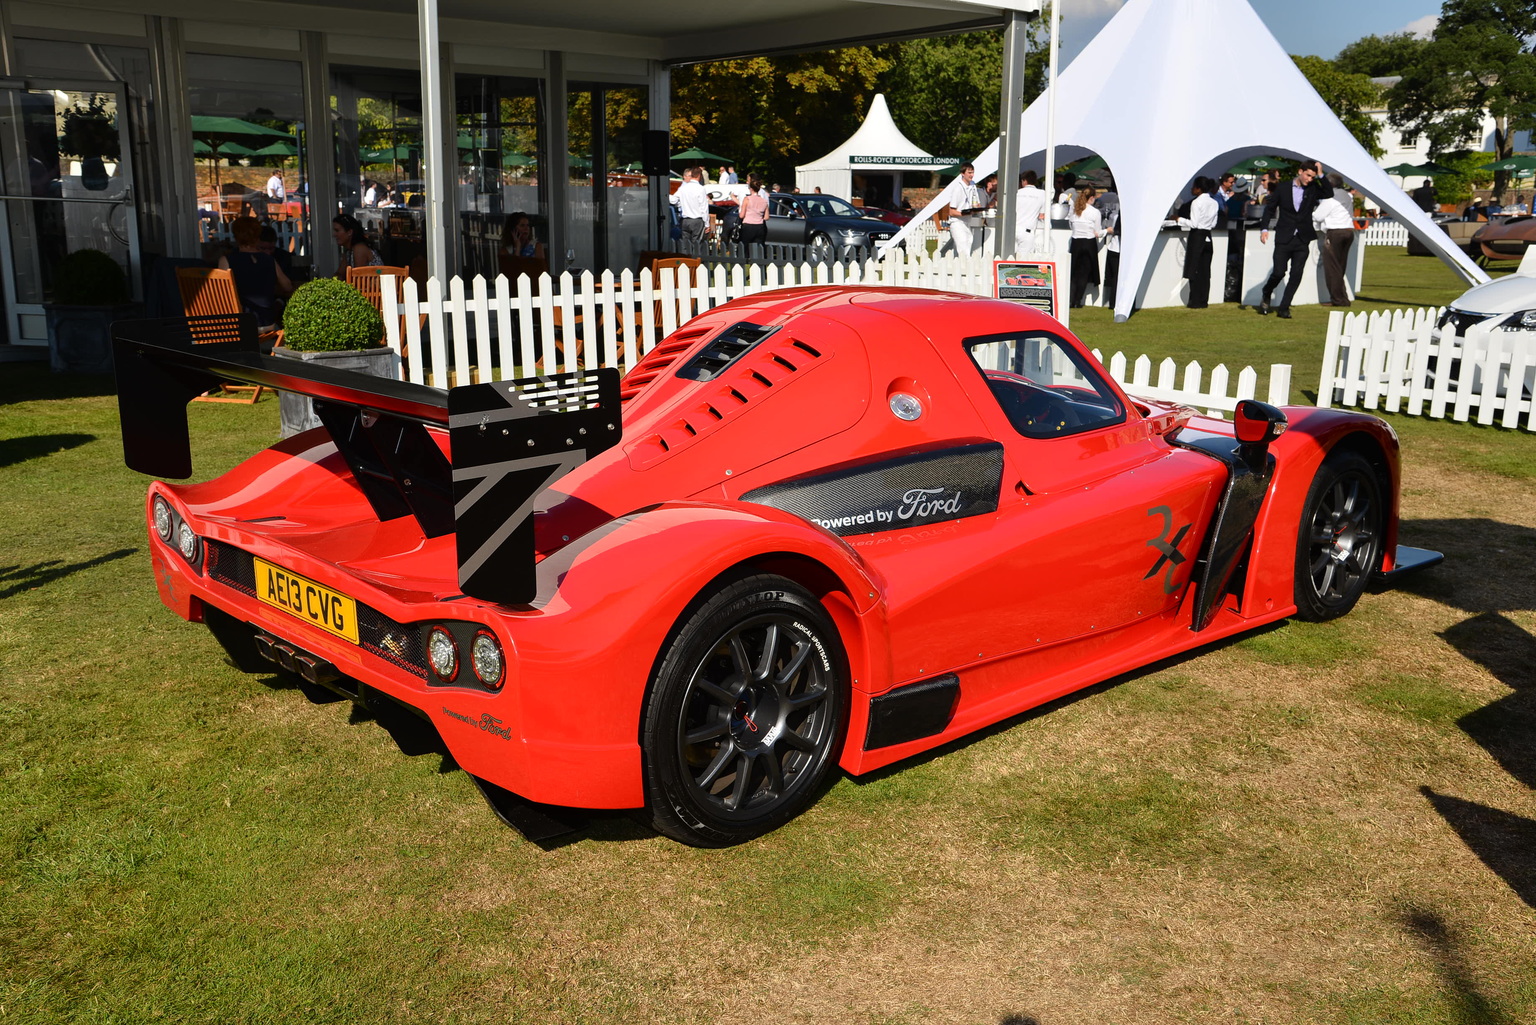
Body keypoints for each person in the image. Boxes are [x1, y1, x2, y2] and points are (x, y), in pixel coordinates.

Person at [1257, 160, 1331, 318]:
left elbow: (1328, 192)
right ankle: (1266, 292)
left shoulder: (1313, 188)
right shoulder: (1283, 188)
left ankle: (1284, 307)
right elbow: (1270, 209)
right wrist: (1264, 229)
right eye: (1307, 175)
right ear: (1300, 171)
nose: (1309, 179)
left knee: (1296, 274)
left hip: (1302, 238)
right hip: (1284, 237)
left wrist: (1321, 174)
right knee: (1278, 272)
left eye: (1312, 176)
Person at [218, 215, 292, 332]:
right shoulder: (269, 260)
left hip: (241, 324)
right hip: (268, 323)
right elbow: (287, 286)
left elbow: (221, 295)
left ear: (235, 236)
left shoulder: (227, 261)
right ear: (258, 236)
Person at [1312, 172, 1355, 307]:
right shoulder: (1347, 196)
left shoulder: (1330, 199)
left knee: (1332, 268)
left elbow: (1318, 216)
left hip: (1335, 232)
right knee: (1340, 267)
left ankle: (1337, 300)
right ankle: (1343, 298)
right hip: (1348, 231)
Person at [1177, 176, 1218, 309]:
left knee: (1194, 268)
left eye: (1194, 186)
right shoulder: (1214, 203)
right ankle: (1203, 300)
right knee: (1205, 270)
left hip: (1197, 235)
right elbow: (1214, 223)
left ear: (1198, 189)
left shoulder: (1196, 202)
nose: (1191, 189)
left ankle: (1194, 301)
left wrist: (1179, 219)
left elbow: (1194, 224)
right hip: (1208, 235)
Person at [1068, 185, 1104, 308]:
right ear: (1092, 198)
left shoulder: (1074, 209)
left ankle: (1071, 300)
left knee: (1074, 273)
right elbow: (1098, 232)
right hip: (1088, 242)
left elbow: (1070, 225)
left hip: (1076, 241)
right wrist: (1106, 231)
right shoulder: (1095, 212)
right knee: (1083, 274)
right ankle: (1078, 300)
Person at [949, 163, 988, 257]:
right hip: (957, 222)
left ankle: (960, 267)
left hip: (967, 221)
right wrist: (965, 213)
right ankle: (965, 268)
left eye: (973, 172)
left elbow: (976, 204)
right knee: (963, 248)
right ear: (962, 173)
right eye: (969, 172)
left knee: (968, 243)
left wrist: (978, 209)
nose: (971, 175)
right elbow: (951, 211)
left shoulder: (973, 185)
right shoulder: (958, 188)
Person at [670, 166, 709, 249]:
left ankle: (685, 260)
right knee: (697, 245)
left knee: (685, 245)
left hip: (685, 220)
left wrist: (679, 203)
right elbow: (704, 207)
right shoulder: (700, 189)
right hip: (697, 220)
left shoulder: (683, 188)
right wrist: (707, 223)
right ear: (699, 175)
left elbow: (673, 200)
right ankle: (695, 261)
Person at [1013, 170, 1047, 253]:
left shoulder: (1016, 193)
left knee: (1008, 260)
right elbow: (1042, 215)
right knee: (1024, 262)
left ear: (1024, 181)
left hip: (1012, 229)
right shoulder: (1042, 194)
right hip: (1027, 232)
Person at [737, 174, 769, 250]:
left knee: (745, 246)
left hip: (748, 225)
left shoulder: (747, 199)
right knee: (759, 247)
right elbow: (766, 217)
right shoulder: (764, 201)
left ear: (751, 189)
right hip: (759, 226)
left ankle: (745, 260)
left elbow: (741, 215)